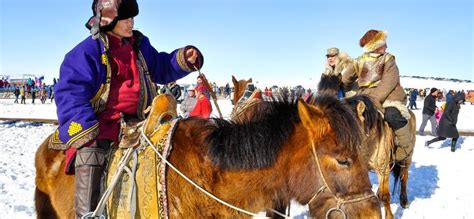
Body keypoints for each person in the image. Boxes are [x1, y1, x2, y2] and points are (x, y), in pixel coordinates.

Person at [52, 0, 204, 217]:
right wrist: (85, 125)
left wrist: (182, 60)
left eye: (133, 17)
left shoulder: (139, 45)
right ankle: (88, 213)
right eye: (125, 18)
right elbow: (70, 93)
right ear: (107, 19)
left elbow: (160, 66)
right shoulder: (85, 52)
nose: (131, 22)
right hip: (104, 121)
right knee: (91, 148)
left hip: (141, 119)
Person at [342, 29, 413, 161]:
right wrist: (338, 87)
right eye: (383, 43)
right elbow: (345, 79)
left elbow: (389, 82)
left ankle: (405, 147)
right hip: (364, 96)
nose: (386, 46)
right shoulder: (358, 61)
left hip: (388, 96)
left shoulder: (388, 59)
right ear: (374, 46)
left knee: (392, 115)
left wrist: (370, 100)